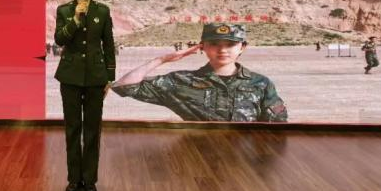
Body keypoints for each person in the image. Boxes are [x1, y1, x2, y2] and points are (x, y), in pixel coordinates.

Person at [111, 23, 287, 122]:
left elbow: (278, 124)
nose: (222, 50)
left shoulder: (260, 83)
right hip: (197, 154)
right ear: (202, 47)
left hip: (246, 159)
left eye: (230, 44)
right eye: (214, 44)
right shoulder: (181, 81)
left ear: (242, 47)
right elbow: (124, 86)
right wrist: (162, 59)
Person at [54, 0, 115, 191]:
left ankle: (89, 180)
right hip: (70, 77)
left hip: (95, 78)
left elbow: (108, 44)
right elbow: (60, 39)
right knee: (72, 129)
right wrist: (76, 19)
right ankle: (73, 179)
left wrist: (110, 76)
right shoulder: (64, 10)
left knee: (92, 130)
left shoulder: (103, 11)